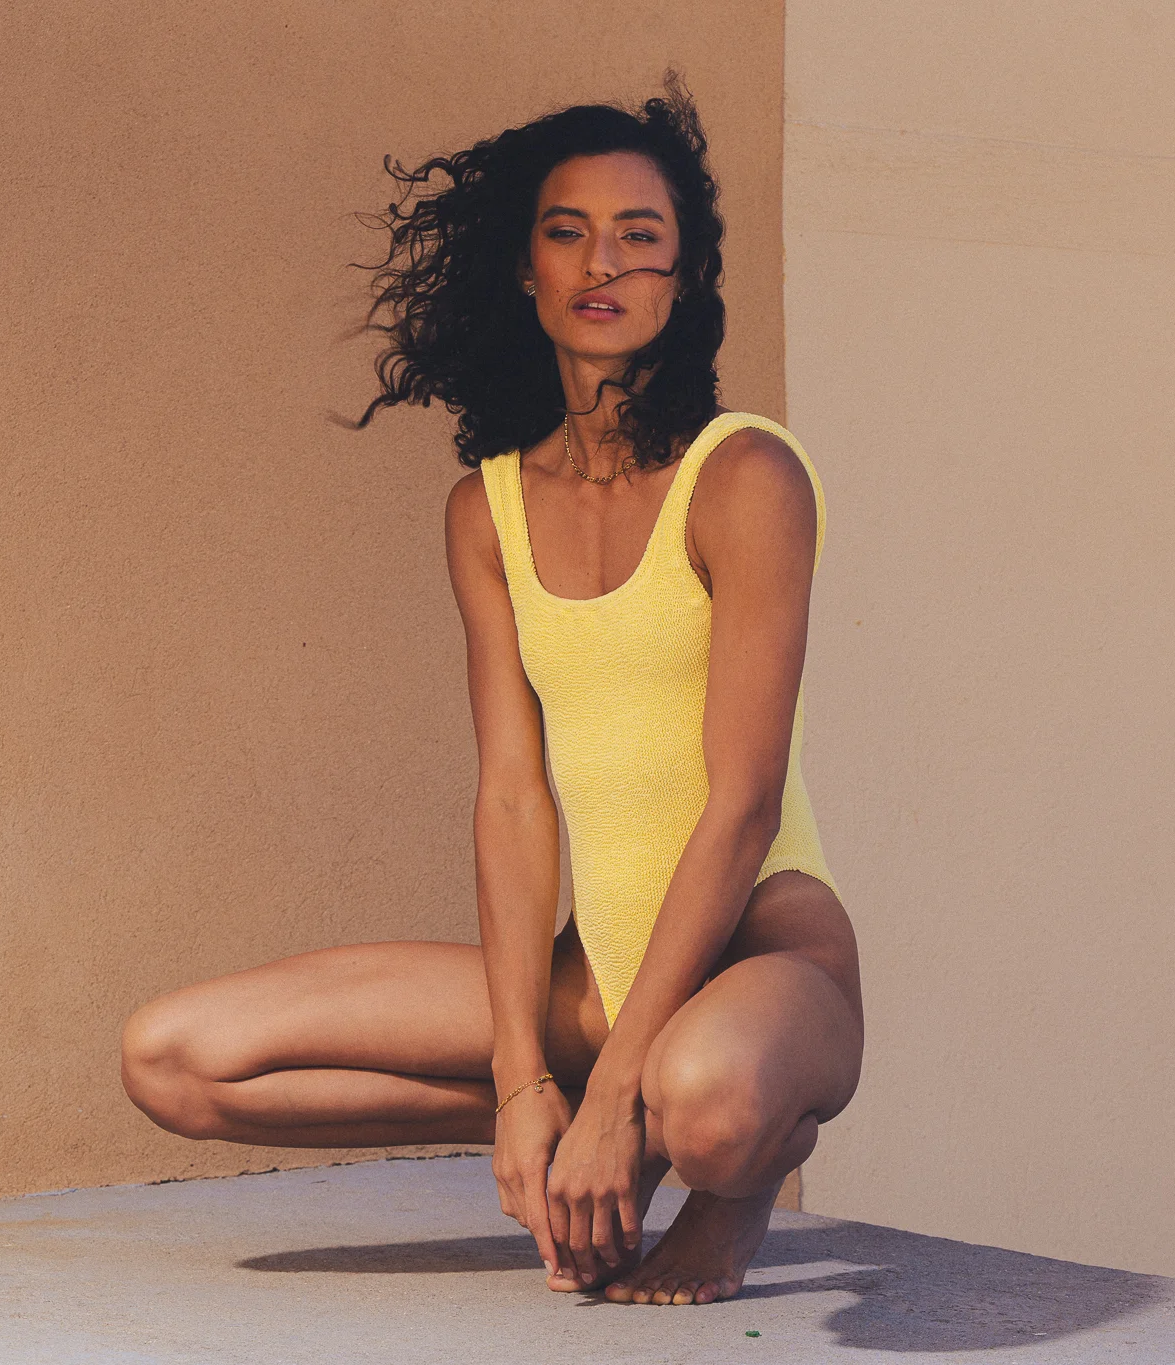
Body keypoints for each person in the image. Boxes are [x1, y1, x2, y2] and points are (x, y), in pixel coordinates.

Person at [118, 76, 864, 1308]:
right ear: (525, 268)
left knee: (710, 1105)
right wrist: (525, 1090)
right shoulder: (487, 510)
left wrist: (618, 1093)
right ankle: (598, 1129)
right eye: (568, 232)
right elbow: (513, 799)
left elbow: (740, 801)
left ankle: (705, 1167)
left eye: (639, 235)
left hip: (765, 962)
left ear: (685, 275)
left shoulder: (744, 476)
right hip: (593, 982)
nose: (601, 263)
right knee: (176, 1061)